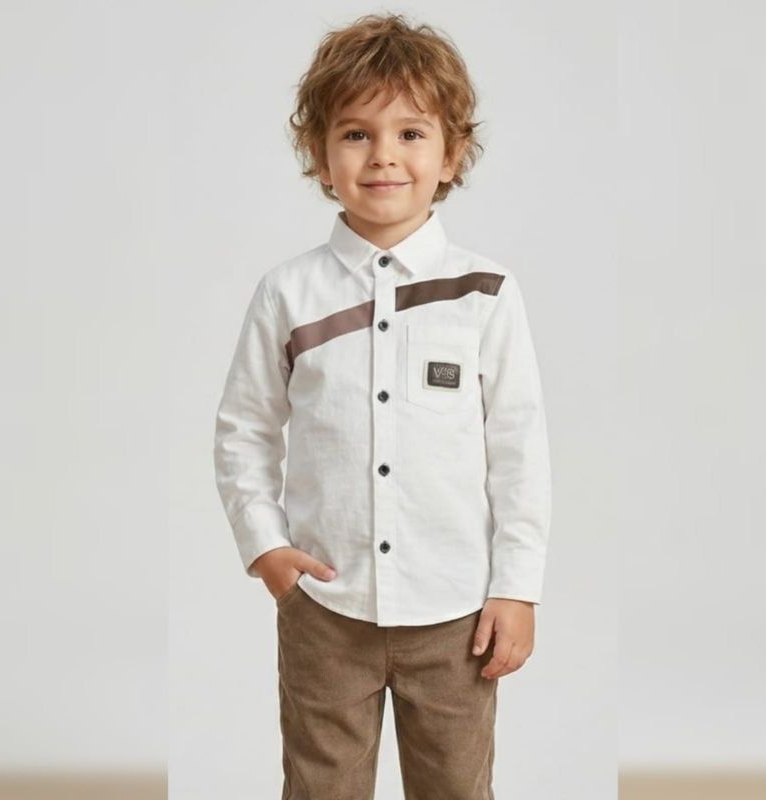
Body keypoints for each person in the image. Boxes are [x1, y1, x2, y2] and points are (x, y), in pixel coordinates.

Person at [213, 12, 552, 799]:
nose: (384, 156)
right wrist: (266, 548)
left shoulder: (486, 293)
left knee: (456, 789)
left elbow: (519, 448)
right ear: (319, 154)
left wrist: (516, 586)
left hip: (456, 615)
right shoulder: (287, 293)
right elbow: (244, 430)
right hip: (326, 610)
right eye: (356, 134)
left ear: (451, 153)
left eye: (411, 133)